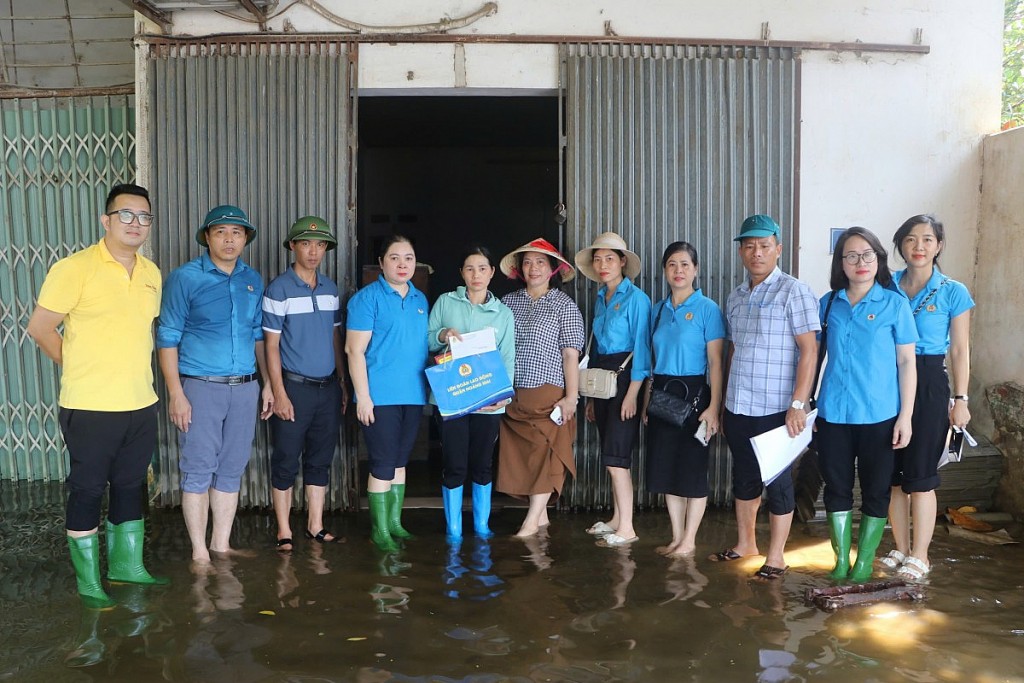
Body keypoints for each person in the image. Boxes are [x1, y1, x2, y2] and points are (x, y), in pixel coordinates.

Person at [26, 183, 168, 609]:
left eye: (144, 217)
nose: (136, 224)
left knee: (129, 486)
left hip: (140, 402)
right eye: (126, 215)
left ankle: (126, 567)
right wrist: (80, 368)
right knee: (87, 490)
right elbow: (40, 328)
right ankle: (89, 581)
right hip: (89, 405)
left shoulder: (151, 272)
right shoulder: (74, 268)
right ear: (106, 221)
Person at [157, 204, 274, 564]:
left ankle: (220, 545)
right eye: (221, 232)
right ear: (207, 237)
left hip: (245, 386)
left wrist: (267, 383)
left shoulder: (251, 279)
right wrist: (176, 393)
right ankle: (199, 554)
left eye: (237, 233)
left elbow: (257, 336)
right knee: (198, 467)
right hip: (201, 386)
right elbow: (167, 336)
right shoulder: (185, 278)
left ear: (245, 239)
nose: (229, 239)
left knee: (232, 467)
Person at [714, 214, 820, 580]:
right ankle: (746, 544)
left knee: (778, 481)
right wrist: (725, 404)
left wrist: (798, 404)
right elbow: (733, 351)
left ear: (778, 248)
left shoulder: (795, 291)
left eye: (763, 245)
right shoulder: (736, 296)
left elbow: (810, 351)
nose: (756, 253)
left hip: (778, 407)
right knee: (743, 477)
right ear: (741, 251)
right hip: (740, 404)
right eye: (749, 246)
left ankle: (776, 555)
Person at [816, 227, 918, 583]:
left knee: (876, 490)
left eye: (867, 255)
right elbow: (814, 357)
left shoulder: (895, 304)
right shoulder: (828, 304)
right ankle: (841, 559)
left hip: (879, 415)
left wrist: (905, 416)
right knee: (837, 488)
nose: (860, 262)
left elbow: (907, 362)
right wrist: (808, 404)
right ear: (840, 263)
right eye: (851, 256)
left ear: (878, 259)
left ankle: (864, 562)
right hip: (833, 415)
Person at [884, 214, 975, 581]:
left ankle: (920, 555)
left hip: (929, 382)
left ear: (938, 246)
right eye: (910, 239)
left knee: (920, 473)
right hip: (885, 381)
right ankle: (900, 549)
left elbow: (960, 351)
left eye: (926, 239)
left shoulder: (953, 291)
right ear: (900, 246)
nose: (918, 247)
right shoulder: (885, 284)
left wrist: (961, 398)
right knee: (891, 475)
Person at [262, 216, 349, 552]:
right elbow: (270, 345)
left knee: (320, 458)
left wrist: (342, 381)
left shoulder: (329, 289)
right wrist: (279, 392)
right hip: (294, 387)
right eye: (306, 244)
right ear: (292, 246)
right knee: (285, 458)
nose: (314, 251)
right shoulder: (278, 289)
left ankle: (315, 525)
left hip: (327, 388)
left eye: (320, 245)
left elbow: (334, 336)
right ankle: (284, 530)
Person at [345, 235, 429, 552]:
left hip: (413, 394)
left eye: (409, 257)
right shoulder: (367, 300)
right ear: (381, 263)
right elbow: (354, 351)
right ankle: (379, 530)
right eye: (395, 258)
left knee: (399, 461)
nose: (403, 264)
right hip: (379, 395)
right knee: (382, 462)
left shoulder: (420, 300)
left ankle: (395, 522)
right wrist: (363, 397)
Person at [497, 238, 585, 538]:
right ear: (520, 269)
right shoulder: (507, 303)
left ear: (553, 269)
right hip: (513, 394)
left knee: (546, 454)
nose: (533, 268)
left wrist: (571, 398)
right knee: (523, 458)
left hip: (548, 394)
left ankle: (530, 522)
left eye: (540, 263)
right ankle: (541, 518)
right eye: (527, 262)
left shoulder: (564, 305)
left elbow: (570, 355)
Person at [427, 246, 515, 542]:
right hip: (452, 396)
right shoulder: (445, 302)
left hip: (488, 400)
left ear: (491, 272)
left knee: (482, 463)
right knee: (454, 462)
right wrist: (443, 335)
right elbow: (427, 340)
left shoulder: (502, 313)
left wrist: (502, 396)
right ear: (461, 273)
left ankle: (481, 525)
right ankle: (453, 529)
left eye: (482, 268)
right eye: (469, 268)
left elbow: (507, 356)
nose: (475, 274)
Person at [643, 242, 725, 557]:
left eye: (685, 265)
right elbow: (652, 359)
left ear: (696, 269)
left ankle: (690, 540)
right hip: (663, 393)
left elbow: (716, 362)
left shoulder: (707, 308)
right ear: (665, 270)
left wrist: (713, 407)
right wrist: (649, 399)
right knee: (665, 467)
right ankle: (676, 537)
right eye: (672, 265)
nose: (679, 271)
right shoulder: (658, 310)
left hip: (695, 395)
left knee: (692, 468)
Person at [574, 232, 652, 547]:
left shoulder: (637, 299)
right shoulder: (600, 299)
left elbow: (642, 351)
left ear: (622, 262)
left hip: (625, 381)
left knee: (617, 457)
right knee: (610, 454)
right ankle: (617, 519)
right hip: (602, 381)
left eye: (610, 258)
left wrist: (633, 394)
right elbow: (596, 352)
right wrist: (591, 398)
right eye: (598, 259)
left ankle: (628, 529)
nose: (603, 265)